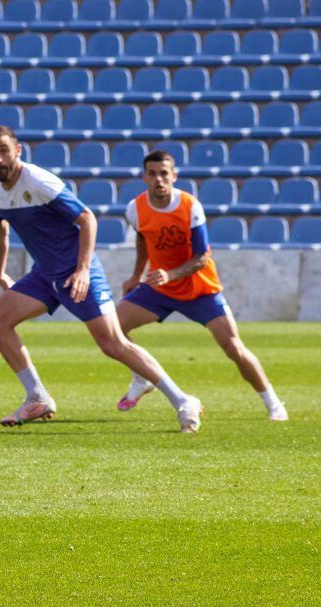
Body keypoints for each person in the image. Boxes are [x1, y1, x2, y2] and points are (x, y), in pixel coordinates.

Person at [0, 126, 203, 432]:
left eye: (4, 150)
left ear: (18, 151)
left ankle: (182, 399)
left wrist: (83, 269)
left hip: (75, 271)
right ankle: (37, 396)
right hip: (45, 274)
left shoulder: (39, 181)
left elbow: (86, 218)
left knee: (112, 343)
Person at [116, 150, 288, 421]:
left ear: (174, 175)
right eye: (153, 174)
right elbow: (142, 240)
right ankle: (141, 377)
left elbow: (201, 258)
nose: (159, 179)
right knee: (113, 327)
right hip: (160, 288)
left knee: (234, 348)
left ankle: (273, 403)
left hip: (200, 289)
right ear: (144, 176)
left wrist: (169, 275)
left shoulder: (189, 206)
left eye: (164, 173)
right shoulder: (134, 209)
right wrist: (137, 275)